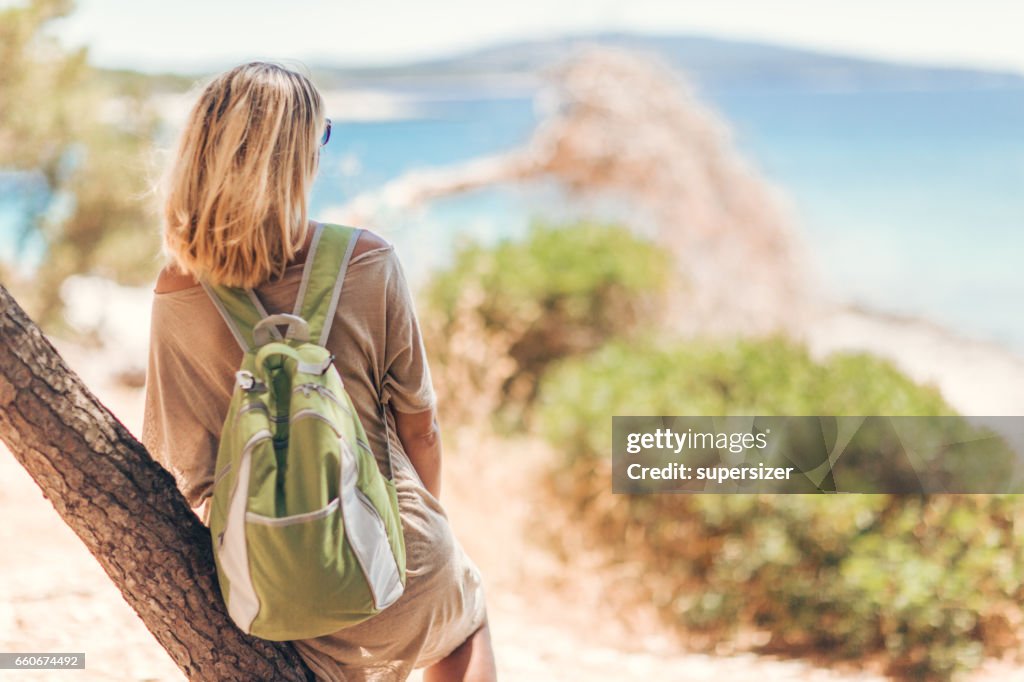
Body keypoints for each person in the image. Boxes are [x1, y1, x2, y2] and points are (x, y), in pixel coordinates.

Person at [141, 61, 497, 682]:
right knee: (465, 620)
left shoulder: (177, 292)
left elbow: (185, 469)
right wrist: (411, 538)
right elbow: (422, 430)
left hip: (272, 589)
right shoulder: (366, 259)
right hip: (396, 562)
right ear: (300, 153)